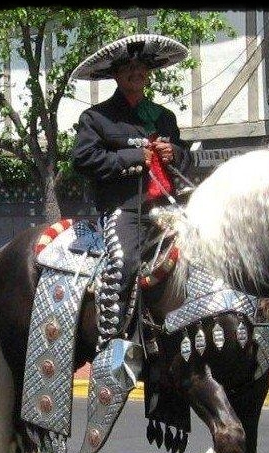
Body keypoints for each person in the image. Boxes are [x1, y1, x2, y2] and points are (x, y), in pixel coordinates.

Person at [71, 34, 192, 353]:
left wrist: (175, 154)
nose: (135, 72)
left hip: (169, 211)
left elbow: (186, 157)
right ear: (116, 74)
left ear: (148, 73)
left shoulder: (164, 116)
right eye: (127, 67)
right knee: (123, 263)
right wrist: (133, 158)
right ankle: (111, 342)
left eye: (141, 67)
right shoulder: (96, 117)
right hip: (124, 210)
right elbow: (82, 160)